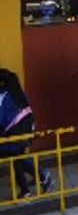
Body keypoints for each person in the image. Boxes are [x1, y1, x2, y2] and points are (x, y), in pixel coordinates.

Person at [0, 69, 52, 198]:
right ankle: (39, 179)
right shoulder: (16, 90)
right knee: (17, 158)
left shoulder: (2, 96)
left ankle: (37, 181)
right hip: (27, 128)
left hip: (15, 131)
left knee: (15, 158)